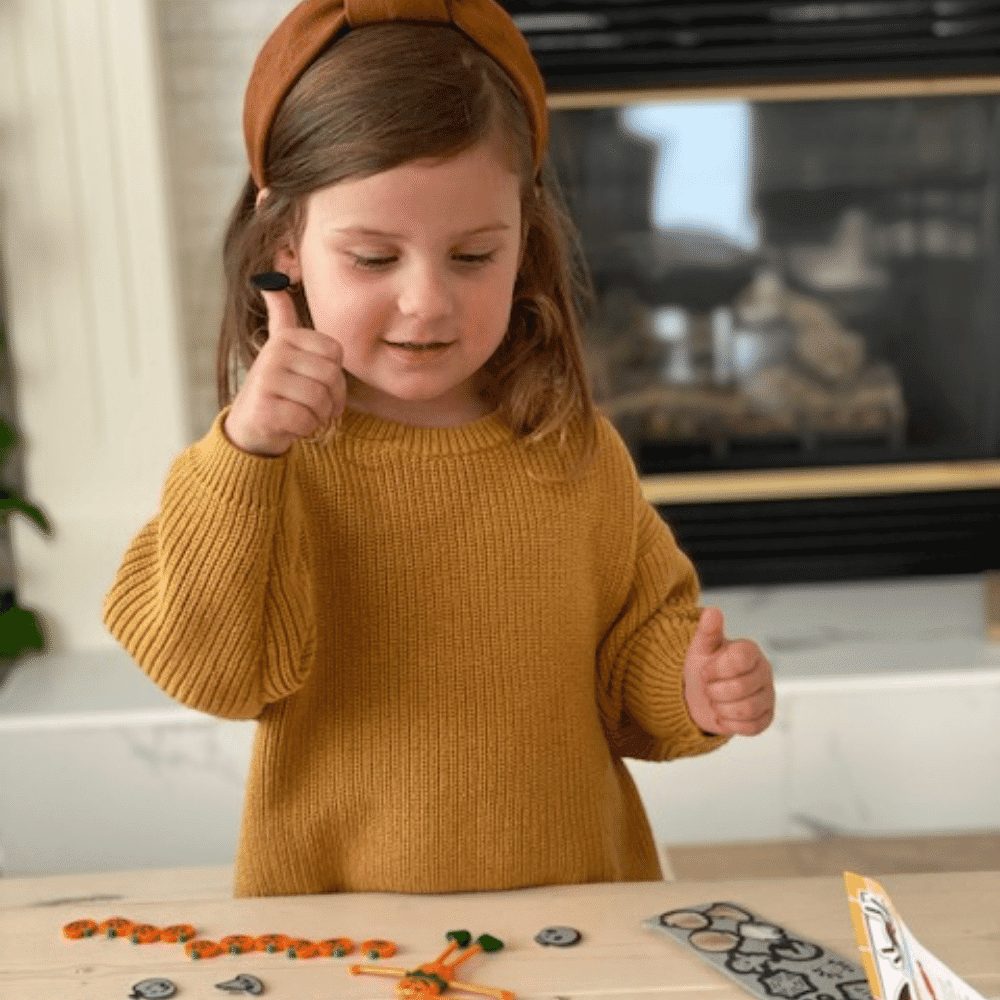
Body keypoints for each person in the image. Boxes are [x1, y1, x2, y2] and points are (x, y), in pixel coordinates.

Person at [103, 0, 775, 899]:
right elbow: (210, 670)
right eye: (375, 259)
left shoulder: (573, 451)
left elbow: (631, 655)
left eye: (472, 257)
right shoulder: (265, 469)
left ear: (523, 242)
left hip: (578, 915)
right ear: (285, 246)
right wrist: (248, 451)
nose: (428, 303)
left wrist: (691, 686)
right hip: (342, 935)